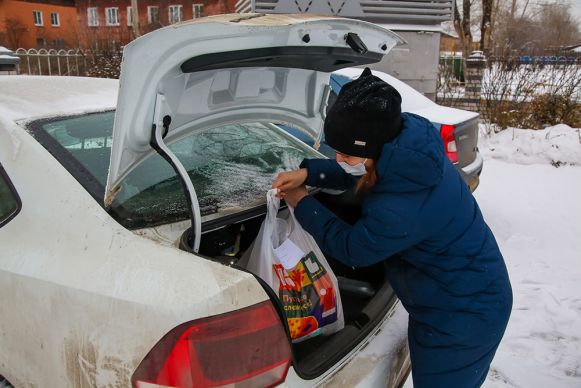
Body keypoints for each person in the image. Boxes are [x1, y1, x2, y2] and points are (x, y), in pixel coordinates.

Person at [273, 68, 512, 388]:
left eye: (345, 152)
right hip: (461, 292)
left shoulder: (401, 207)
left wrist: (301, 202)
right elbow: (361, 170)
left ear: (372, 149)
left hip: (461, 319)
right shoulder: (406, 149)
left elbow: (352, 247)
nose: (339, 157)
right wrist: (308, 175)